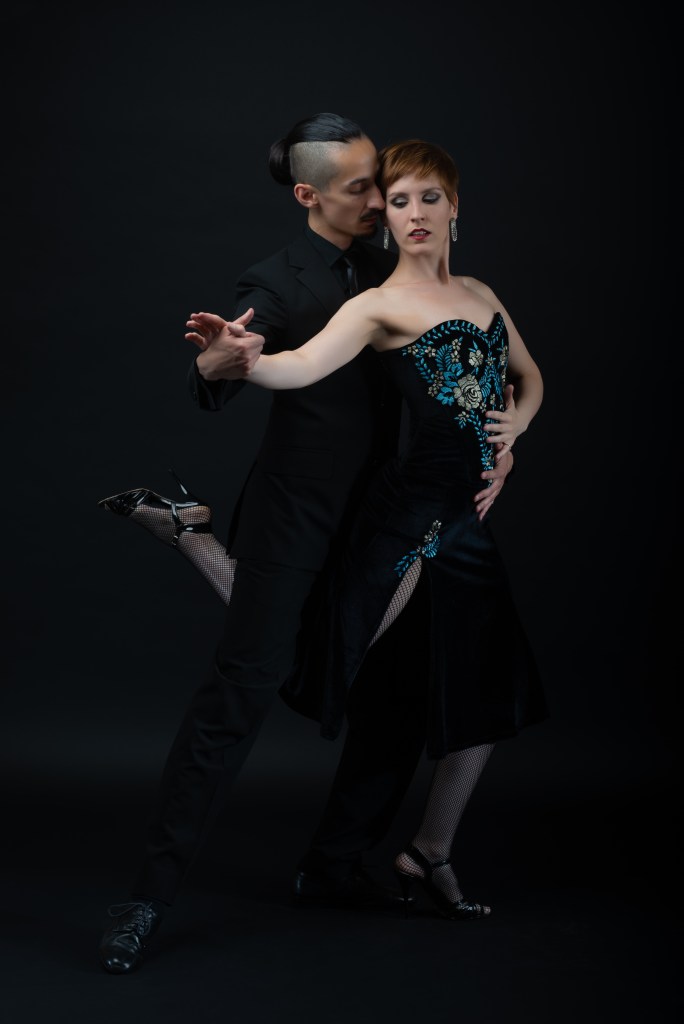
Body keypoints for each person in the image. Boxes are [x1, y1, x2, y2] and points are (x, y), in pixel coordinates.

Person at [97, 115, 515, 974]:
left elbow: (475, 369)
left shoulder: (402, 257)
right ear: (308, 195)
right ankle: (147, 899)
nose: (383, 199)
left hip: (393, 515)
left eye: (386, 184)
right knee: (243, 695)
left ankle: (332, 867)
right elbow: (225, 368)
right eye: (365, 187)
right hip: (299, 516)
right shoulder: (278, 280)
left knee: (397, 692)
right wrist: (218, 361)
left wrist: (500, 442)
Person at [188, 137, 548, 920]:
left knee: (489, 691)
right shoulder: (377, 305)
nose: (413, 214)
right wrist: (244, 358)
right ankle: (195, 540)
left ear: (455, 206)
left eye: (428, 198)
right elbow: (300, 366)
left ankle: (428, 851)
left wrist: (512, 432)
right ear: (384, 216)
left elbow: (530, 378)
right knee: (318, 654)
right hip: (410, 518)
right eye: (398, 201)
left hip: (468, 524)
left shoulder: (481, 292)